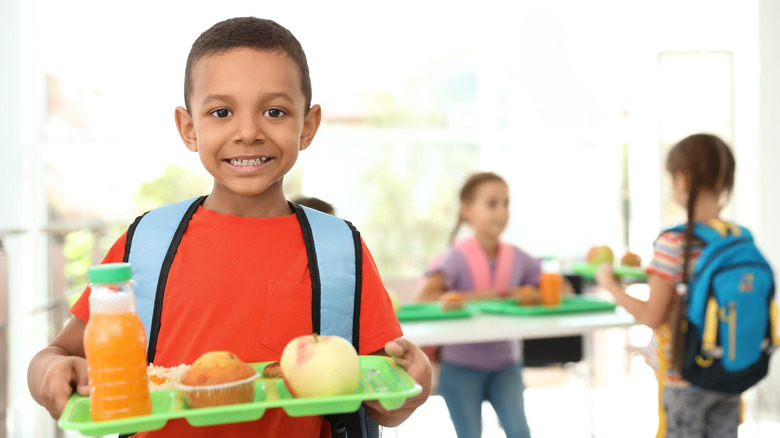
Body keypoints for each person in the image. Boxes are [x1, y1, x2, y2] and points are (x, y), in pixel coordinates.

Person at [27, 17, 431, 437]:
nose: (248, 132)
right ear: (189, 128)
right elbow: (59, 352)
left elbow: (384, 403)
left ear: (307, 126)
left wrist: (414, 387)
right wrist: (49, 371)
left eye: (274, 111)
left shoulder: (340, 250)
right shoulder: (145, 244)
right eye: (222, 112)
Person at [595, 133, 739, 438]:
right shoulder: (736, 240)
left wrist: (611, 285)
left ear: (682, 180)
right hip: (730, 376)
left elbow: (652, 316)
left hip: (684, 379)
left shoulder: (673, 243)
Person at [418, 172, 536, 438]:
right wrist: (500, 294)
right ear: (468, 210)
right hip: (460, 368)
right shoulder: (455, 256)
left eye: (506, 203)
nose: (502, 212)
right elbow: (426, 296)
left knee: (520, 432)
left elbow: (557, 288)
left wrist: (529, 294)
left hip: (506, 365)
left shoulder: (518, 256)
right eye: (492, 204)